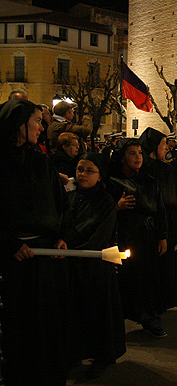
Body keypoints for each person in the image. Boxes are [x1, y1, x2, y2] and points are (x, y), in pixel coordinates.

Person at [0, 99, 69, 385]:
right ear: (19, 124)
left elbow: (59, 203)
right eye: (38, 121)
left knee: (46, 320)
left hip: (43, 254)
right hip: (13, 258)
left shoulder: (41, 160)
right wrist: (9, 245)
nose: (42, 127)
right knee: (18, 323)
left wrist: (61, 236)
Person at [62, 153, 125, 378]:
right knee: (74, 312)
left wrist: (78, 250)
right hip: (72, 265)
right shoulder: (69, 198)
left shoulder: (106, 201)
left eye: (90, 171)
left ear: (100, 176)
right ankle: (74, 353)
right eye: (80, 169)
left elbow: (102, 233)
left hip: (95, 266)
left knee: (98, 312)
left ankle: (102, 355)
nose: (83, 175)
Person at [108, 139, 169, 338]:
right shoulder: (112, 181)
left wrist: (162, 236)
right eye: (132, 153)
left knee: (148, 280)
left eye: (140, 153)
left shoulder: (149, 180)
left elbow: (159, 209)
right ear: (123, 157)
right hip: (125, 235)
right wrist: (116, 206)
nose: (137, 158)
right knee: (124, 279)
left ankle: (150, 318)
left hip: (148, 235)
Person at [139, 127, 177, 308]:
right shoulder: (142, 170)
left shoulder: (169, 169)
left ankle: (169, 296)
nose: (166, 148)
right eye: (163, 144)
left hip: (171, 221)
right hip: (151, 223)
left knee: (170, 262)